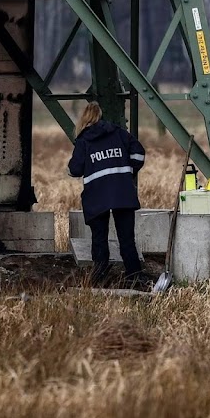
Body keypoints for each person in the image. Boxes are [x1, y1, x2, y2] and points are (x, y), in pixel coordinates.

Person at [67, 101, 146, 286]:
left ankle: (99, 277)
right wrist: (128, 170)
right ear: (100, 116)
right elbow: (139, 154)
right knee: (127, 239)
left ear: (84, 119)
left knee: (99, 239)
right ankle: (134, 277)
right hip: (122, 192)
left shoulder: (84, 140)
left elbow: (75, 169)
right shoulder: (119, 133)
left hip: (97, 196)